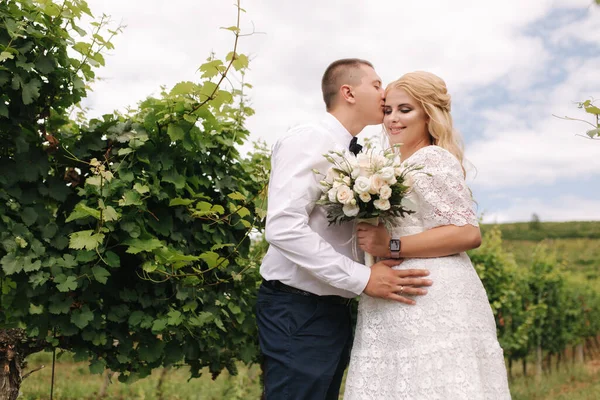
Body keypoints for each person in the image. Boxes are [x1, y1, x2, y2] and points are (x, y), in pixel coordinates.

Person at [256, 59, 434, 400]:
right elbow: (282, 227)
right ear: (348, 92)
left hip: (331, 308)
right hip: (299, 308)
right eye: (377, 85)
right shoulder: (310, 138)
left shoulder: (356, 154)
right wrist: (364, 279)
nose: (385, 94)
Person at [343, 71, 511, 399]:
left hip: (430, 295)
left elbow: (467, 232)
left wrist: (390, 244)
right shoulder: (392, 168)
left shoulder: (432, 159)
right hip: (392, 293)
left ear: (428, 115)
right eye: (388, 110)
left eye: (405, 109)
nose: (393, 118)